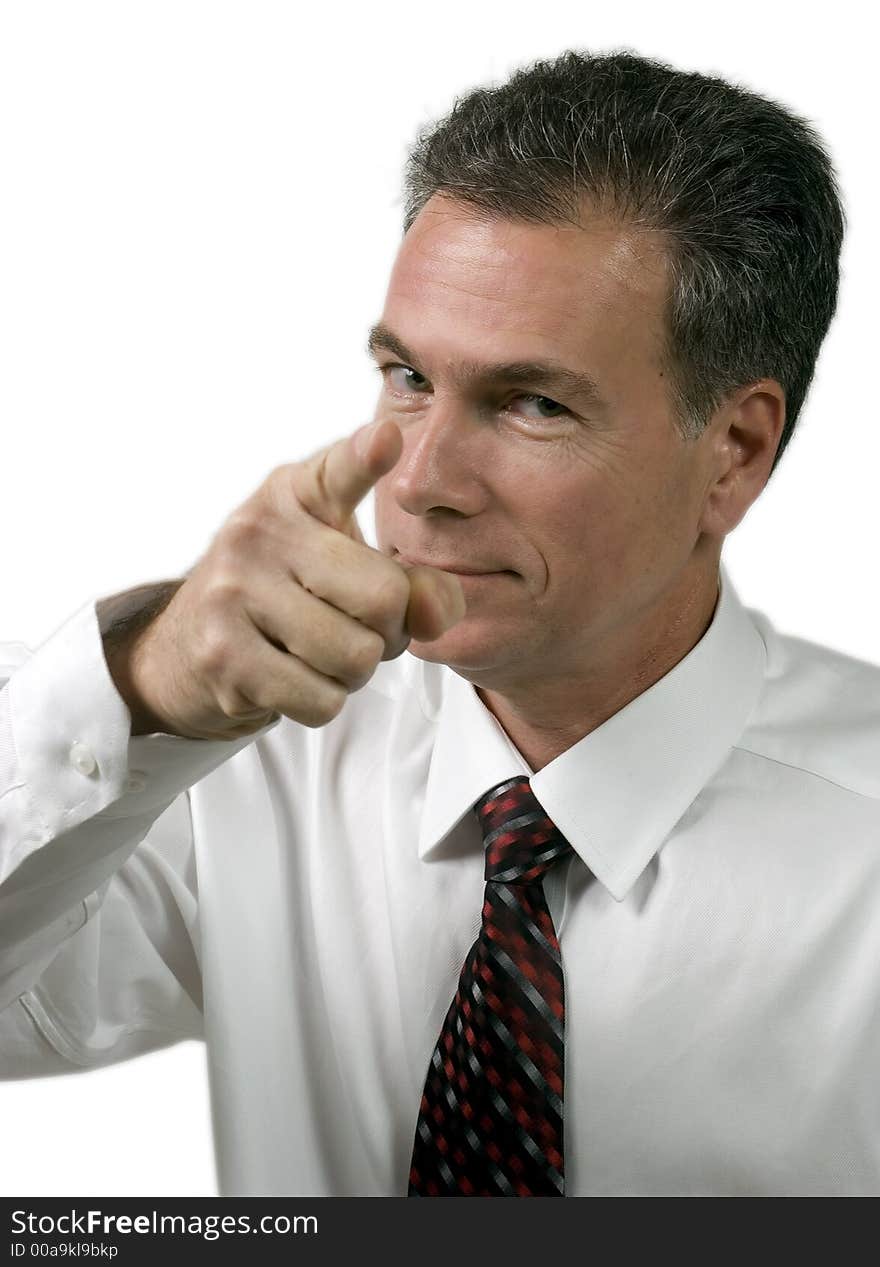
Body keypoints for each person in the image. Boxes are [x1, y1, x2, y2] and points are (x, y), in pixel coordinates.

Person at [1, 46, 876, 1198]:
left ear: (735, 452)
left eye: (531, 402)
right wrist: (141, 681)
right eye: (408, 378)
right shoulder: (239, 769)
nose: (418, 483)